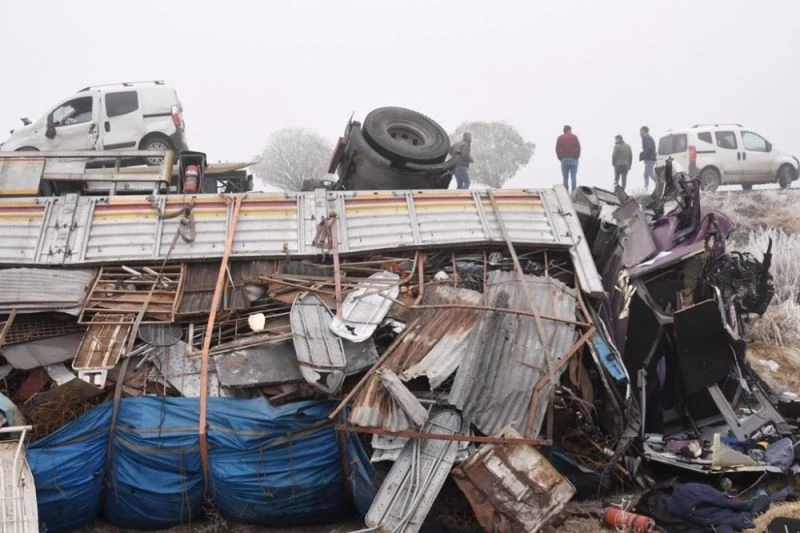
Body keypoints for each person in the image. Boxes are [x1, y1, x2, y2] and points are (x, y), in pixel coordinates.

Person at [555, 125, 580, 191]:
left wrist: (560, 158)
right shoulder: (574, 137)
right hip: (573, 159)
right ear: (569, 130)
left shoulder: (560, 138)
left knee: (565, 177)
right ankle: (573, 191)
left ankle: (565, 191)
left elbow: (557, 149)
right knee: (573, 176)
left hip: (564, 159)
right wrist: (576, 157)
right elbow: (578, 148)